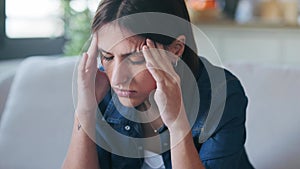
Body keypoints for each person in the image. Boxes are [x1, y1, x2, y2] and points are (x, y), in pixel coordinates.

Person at [63, 0, 254, 169]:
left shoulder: (222, 94)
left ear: (175, 50)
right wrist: (85, 111)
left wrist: (177, 122)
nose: (117, 79)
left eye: (136, 59)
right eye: (107, 57)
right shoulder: (103, 89)